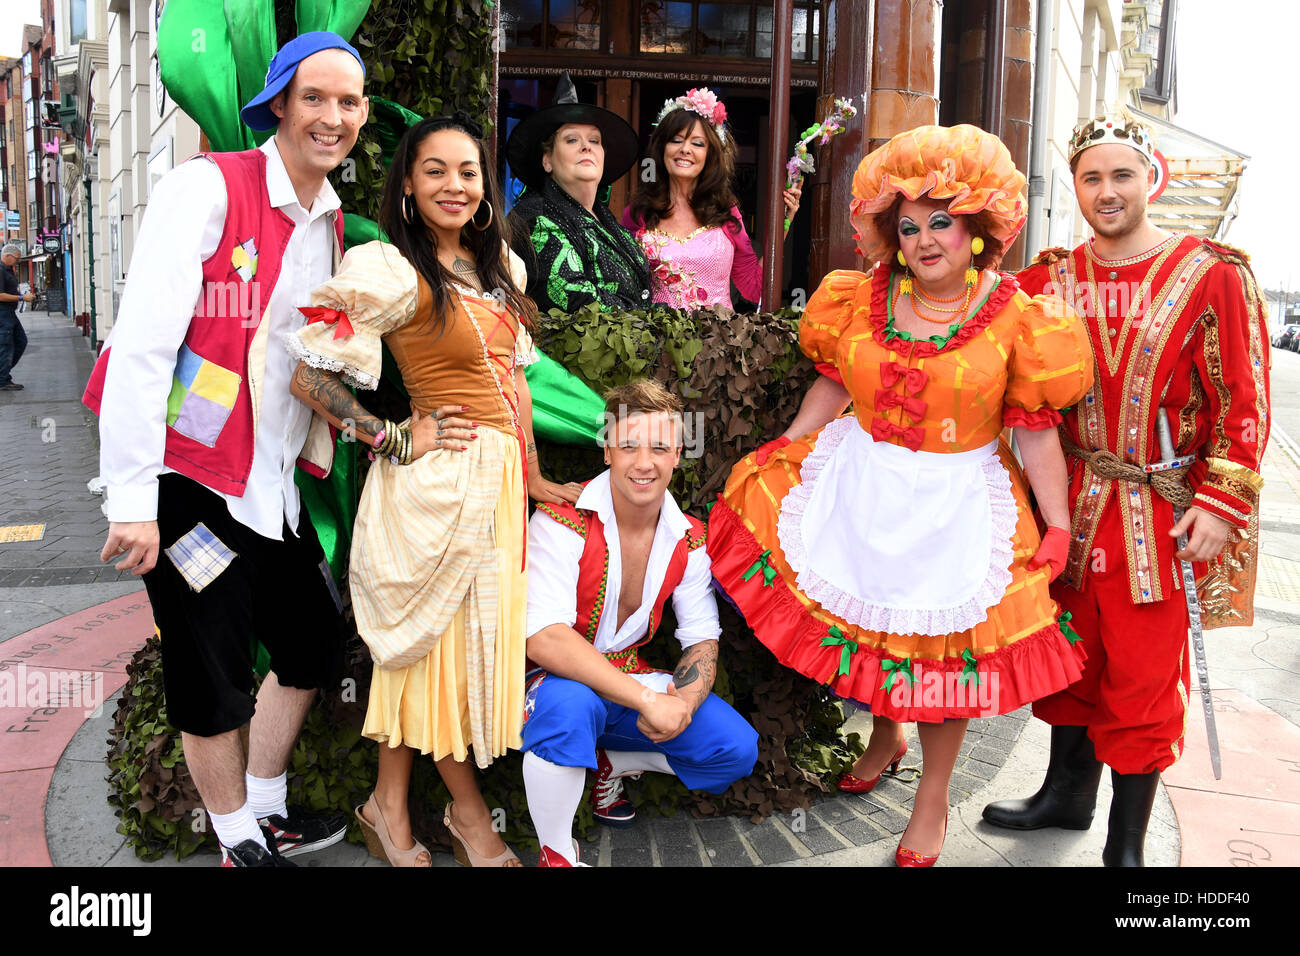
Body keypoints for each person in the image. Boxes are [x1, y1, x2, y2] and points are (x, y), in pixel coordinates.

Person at [707, 124, 1095, 866]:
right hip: (864, 482)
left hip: (957, 504)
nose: (924, 240)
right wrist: (789, 444)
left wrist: (1057, 524)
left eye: (941, 222)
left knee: (941, 663)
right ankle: (886, 732)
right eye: (909, 226)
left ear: (977, 227)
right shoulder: (861, 297)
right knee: (870, 630)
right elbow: (832, 378)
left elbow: (1037, 427)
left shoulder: (1021, 316)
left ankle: (931, 802)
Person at [83, 32, 369, 866]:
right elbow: (139, 347)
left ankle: (267, 803)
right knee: (210, 662)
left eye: (348, 101)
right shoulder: (205, 186)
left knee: (312, 642)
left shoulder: (331, 225)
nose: (333, 116)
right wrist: (132, 501)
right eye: (314, 97)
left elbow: (295, 360)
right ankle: (233, 830)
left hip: (265, 485)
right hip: (187, 484)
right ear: (278, 103)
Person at [288, 112, 581, 868]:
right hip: (434, 487)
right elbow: (310, 373)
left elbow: (515, 384)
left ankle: (389, 806)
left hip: (498, 487)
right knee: (434, 656)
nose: (455, 185)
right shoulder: (389, 267)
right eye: (436, 171)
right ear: (408, 187)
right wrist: (391, 435)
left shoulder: (500, 271)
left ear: (486, 189)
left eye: (469, 172)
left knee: (433, 657)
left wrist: (538, 475)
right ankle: (469, 814)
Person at [982, 111, 1271, 866]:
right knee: (1068, 657)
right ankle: (1065, 797)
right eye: (1090, 178)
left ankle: (1126, 842)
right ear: (1074, 186)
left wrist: (1221, 504)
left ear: (1152, 180)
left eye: (1121, 176)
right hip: (1066, 505)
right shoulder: (1047, 279)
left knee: (1143, 676)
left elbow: (1244, 402)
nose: (1105, 192)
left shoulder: (1213, 274)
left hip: (1161, 513)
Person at [520, 379, 759, 866]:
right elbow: (544, 638)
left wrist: (684, 704)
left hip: (628, 678)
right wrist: (649, 700)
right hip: (548, 681)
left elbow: (700, 640)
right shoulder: (559, 520)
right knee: (568, 706)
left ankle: (611, 763)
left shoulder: (690, 539)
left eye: (658, 447)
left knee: (734, 749)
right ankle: (557, 855)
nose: (643, 462)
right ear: (607, 451)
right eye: (628, 445)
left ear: (677, 455)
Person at [621, 88, 801, 310]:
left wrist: (781, 224)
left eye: (697, 143)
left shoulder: (725, 211)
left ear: (710, 155)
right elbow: (622, 288)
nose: (685, 149)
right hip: (654, 341)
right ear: (662, 148)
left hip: (717, 340)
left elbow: (754, 289)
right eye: (676, 140)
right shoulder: (637, 213)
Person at [505, 72, 651, 315]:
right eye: (572, 140)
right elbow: (576, 300)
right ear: (547, 160)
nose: (586, 146)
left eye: (595, 140)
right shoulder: (536, 218)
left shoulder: (607, 221)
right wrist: (650, 317)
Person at [0, 243, 34, 391]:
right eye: (17, 259)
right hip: (2, 314)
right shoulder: (0, 271)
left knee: (20, 341)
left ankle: (3, 374)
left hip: (9, 314)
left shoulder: (8, 270)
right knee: (6, 346)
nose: (18, 262)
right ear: (8, 256)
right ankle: (2, 380)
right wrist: (21, 298)